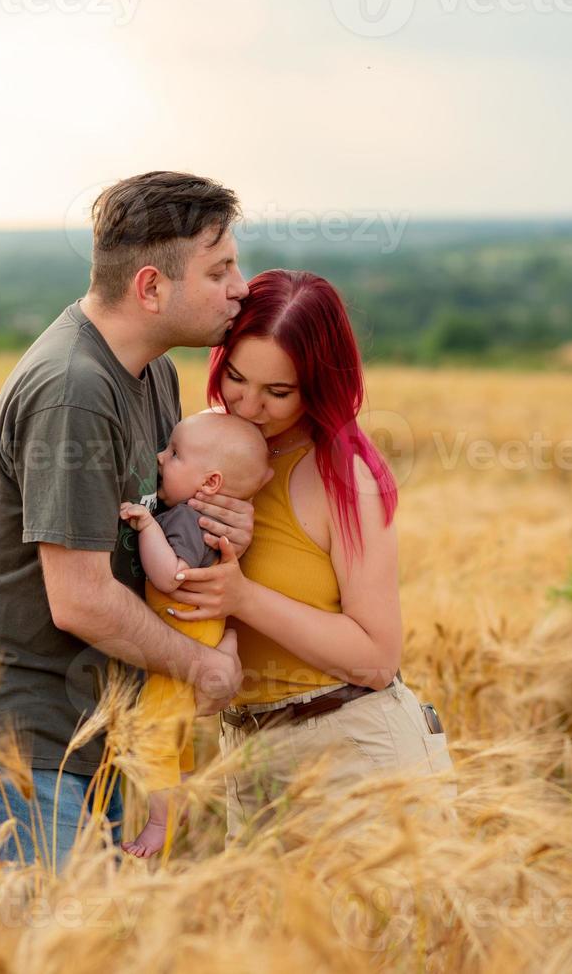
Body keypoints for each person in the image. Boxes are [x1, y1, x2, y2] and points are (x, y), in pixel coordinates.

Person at [0, 172, 258, 929]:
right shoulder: (74, 388)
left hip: (89, 743)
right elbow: (82, 598)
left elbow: (160, 541)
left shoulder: (150, 374)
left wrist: (226, 529)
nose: (241, 287)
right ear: (151, 287)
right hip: (14, 752)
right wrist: (201, 665)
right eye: (220, 269)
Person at [160, 268, 458, 847]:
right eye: (238, 378)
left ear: (318, 387)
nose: (248, 406)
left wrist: (243, 595)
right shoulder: (199, 453)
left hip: (356, 756)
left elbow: (376, 656)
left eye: (279, 393)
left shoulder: (343, 476)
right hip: (247, 753)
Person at [112, 411, 272, 858]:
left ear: (211, 483)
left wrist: (146, 528)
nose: (161, 457)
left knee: (151, 733)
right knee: (173, 735)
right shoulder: (199, 517)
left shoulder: (184, 519)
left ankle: (161, 822)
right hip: (198, 633)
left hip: (182, 634)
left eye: (176, 453)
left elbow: (172, 576)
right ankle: (177, 798)